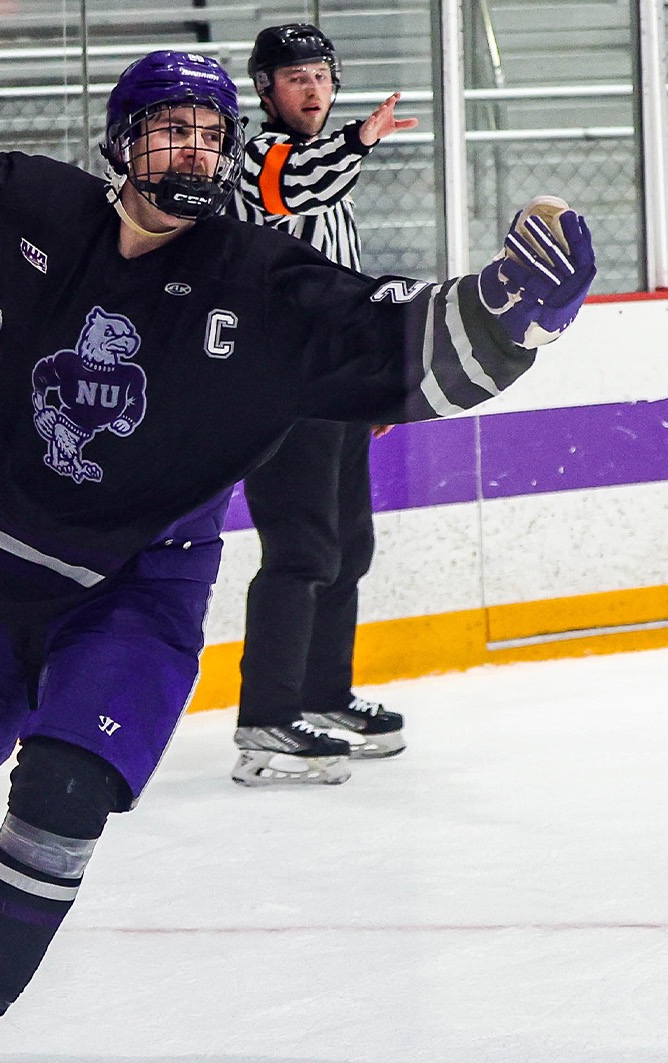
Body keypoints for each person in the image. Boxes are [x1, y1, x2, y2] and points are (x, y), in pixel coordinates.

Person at [0, 0, 595, 1063]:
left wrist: (511, 311)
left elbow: (396, 337)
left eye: (209, 133)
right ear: (122, 142)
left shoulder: (260, 281)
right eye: (170, 129)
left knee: (63, 795)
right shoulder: (47, 218)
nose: (193, 149)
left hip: (139, 589)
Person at [227, 24, 418, 788]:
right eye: (295, 78)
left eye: (321, 76)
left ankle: (321, 697)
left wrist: (370, 376)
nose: (313, 89)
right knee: (302, 552)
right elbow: (296, 184)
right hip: (283, 391)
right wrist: (361, 139)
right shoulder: (257, 158)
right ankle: (266, 720)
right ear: (266, 90)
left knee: (347, 547)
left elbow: (345, 284)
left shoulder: (330, 173)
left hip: (334, 388)